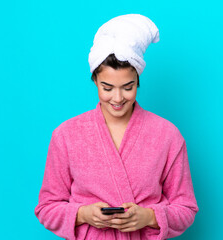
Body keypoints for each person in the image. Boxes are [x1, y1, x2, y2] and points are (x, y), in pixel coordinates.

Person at [34, 14, 199, 240]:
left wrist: (150, 217)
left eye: (128, 87)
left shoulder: (167, 135)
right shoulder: (66, 135)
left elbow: (186, 208)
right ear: (95, 81)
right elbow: (46, 207)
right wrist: (83, 214)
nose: (118, 98)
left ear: (138, 80)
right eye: (107, 87)